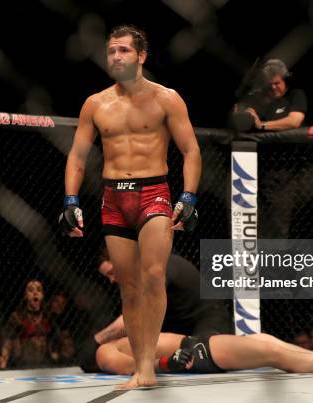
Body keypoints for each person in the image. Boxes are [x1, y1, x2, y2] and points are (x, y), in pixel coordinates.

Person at [61, 24, 201, 388]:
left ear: (141, 56)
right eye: (112, 51)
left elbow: (191, 151)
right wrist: (71, 200)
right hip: (113, 198)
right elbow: (76, 157)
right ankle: (141, 364)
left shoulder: (166, 98)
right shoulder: (96, 103)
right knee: (128, 287)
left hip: (153, 192)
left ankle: (148, 367)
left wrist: (188, 196)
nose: (116, 57)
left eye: (124, 50)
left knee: (154, 275)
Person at [80, 331, 313, 376]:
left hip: (196, 345)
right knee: (269, 350)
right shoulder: (104, 352)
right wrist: (165, 362)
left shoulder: (126, 334)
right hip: (194, 355)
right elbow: (132, 366)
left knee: (266, 343)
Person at [95, 249, 231, 344]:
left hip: (211, 324)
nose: (112, 280)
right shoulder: (139, 279)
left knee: (201, 354)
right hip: (183, 332)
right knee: (120, 347)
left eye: (112, 272)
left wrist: (97, 340)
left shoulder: (156, 268)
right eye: (107, 276)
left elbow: (134, 316)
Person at [232, 59, 306, 132]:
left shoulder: (295, 95)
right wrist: (240, 117)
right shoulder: (256, 97)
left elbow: (294, 121)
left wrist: (262, 125)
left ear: (285, 81)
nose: (273, 87)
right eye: (269, 84)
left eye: (276, 83)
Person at [1, 280, 53, 368]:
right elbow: (7, 343)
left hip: (45, 364)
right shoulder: (17, 316)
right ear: (25, 295)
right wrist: (3, 365)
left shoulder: (48, 316)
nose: (35, 293)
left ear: (42, 295)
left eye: (39, 290)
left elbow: (53, 339)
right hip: (23, 363)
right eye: (31, 290)